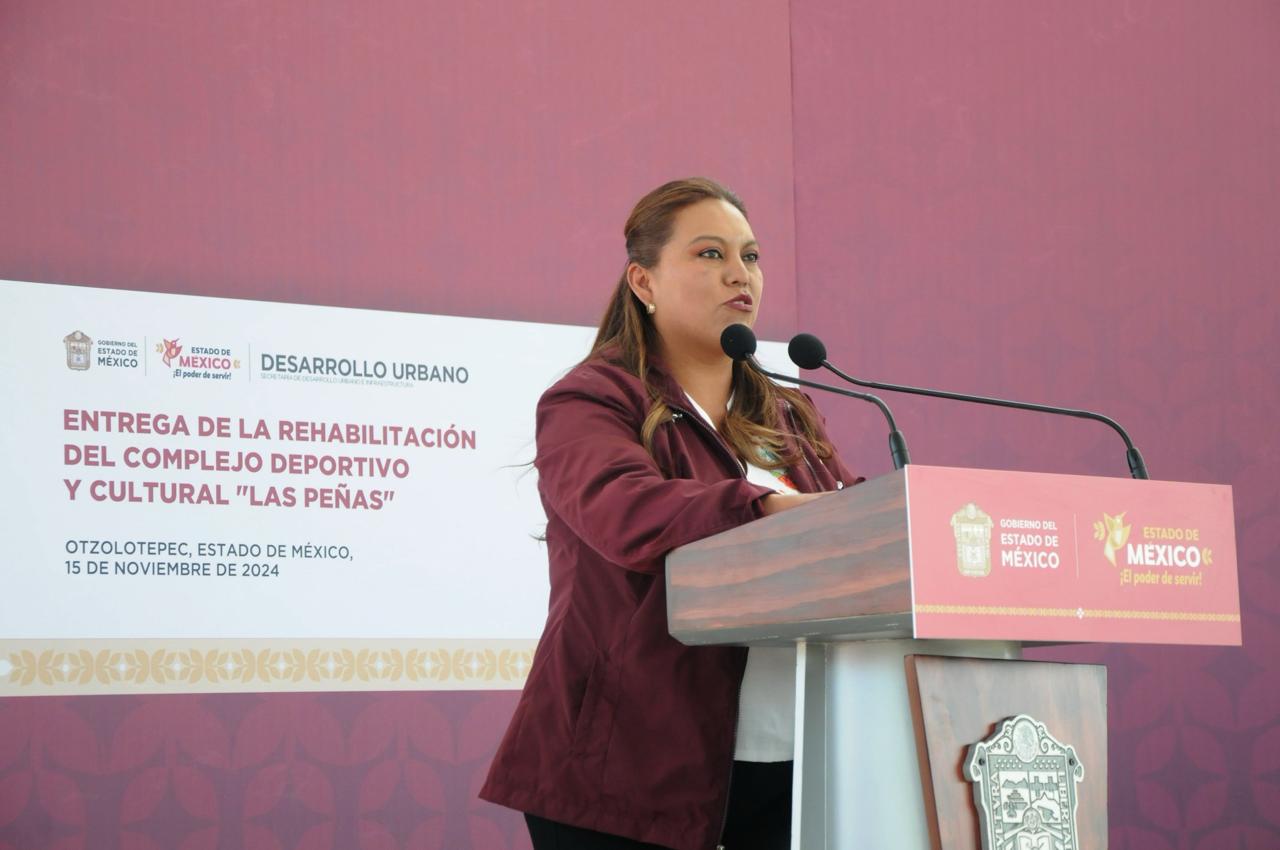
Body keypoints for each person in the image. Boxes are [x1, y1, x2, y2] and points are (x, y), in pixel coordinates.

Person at [479, 178, 856, 850]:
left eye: (750, 256)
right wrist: (766, 505)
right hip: (626, 769)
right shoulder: (590, 399)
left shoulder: (787, 413)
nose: (739, 274)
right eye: (710, 254)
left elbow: (854, 527)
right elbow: (628, 512)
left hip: (789, 763)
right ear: (643, 282)